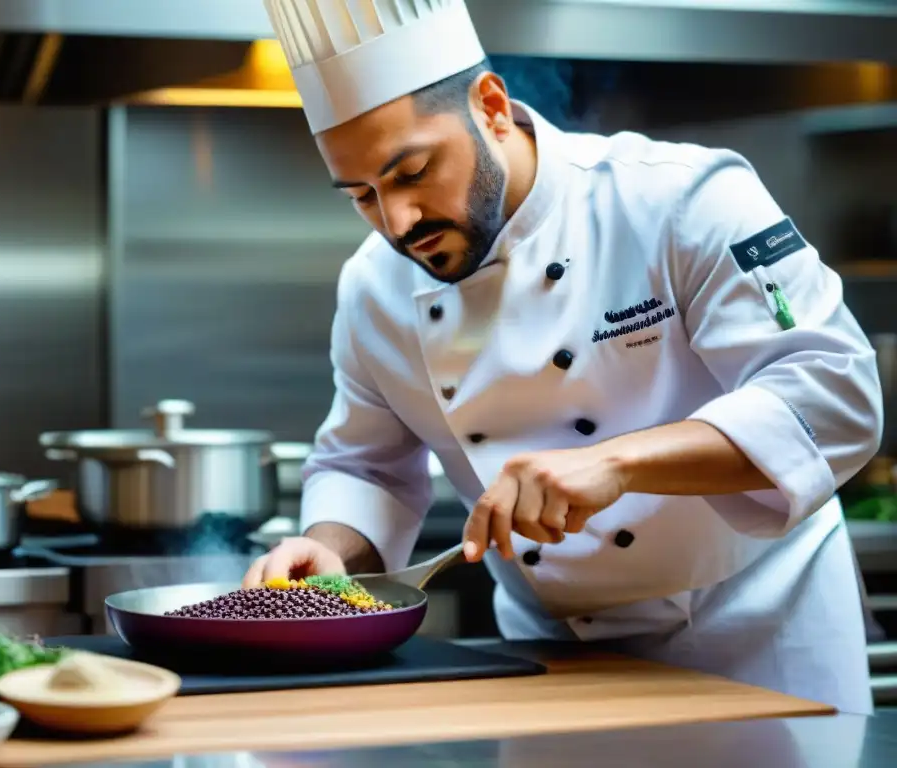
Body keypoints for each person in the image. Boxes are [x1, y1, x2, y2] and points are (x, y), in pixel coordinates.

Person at [246, 0, 883, 713]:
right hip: (554, 656)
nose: (398, 223)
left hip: (759, 632)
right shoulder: (374, 287)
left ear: (490, 107)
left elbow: (833, 395)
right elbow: (364, 465)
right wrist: (333, 554)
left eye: (413, 172)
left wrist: (615, 463)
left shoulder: (676, 200)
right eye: (361, 196)